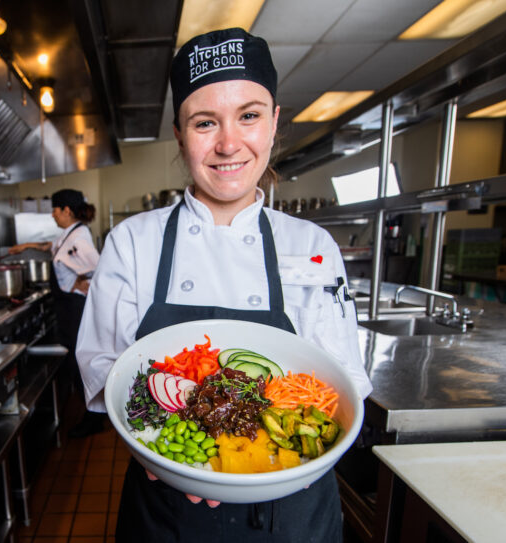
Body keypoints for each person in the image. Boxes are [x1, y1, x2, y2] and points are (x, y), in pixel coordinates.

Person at [75, 28, 372, 542]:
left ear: (275, 122)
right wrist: (156, 451)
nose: (229, 143)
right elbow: (103, 369)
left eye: (249, 115)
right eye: (205, 122)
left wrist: (295, 457)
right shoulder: (132, 241)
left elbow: (345, 381)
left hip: (295, 510)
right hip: (168, 509)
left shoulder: (313, 243)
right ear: (179, 134)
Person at [9, 189, 104, 437]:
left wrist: (83, 283)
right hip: (68, 306)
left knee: (80, 360)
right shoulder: (70, 233)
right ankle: (90, 411)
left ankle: (94, 418)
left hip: (74, 307)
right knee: (75, 358)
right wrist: (27, 246)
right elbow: (53, 246)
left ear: (67, 211)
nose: (52, 215)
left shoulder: (79, 237)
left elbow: (100, 266)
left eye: (55, 210)